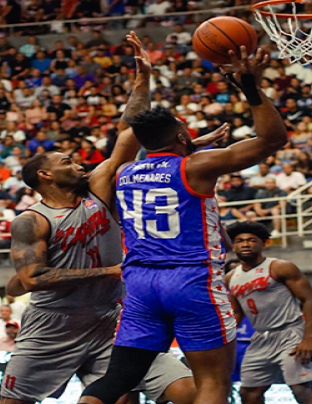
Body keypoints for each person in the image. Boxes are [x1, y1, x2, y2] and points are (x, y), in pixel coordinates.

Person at [4, 32, 199, 404]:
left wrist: (143, 78)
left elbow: (129, 132)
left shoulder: (98, 190)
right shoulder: (31, 221)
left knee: (185, 391)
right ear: (45, 175)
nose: (78, 164)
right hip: (53, 323)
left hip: (111, 317)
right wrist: (109, 271)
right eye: (67, 162)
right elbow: (32, 278)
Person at [85, 46, 287, 404]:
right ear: (181, 137)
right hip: (192, 280)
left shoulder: (122, 172)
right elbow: (271, 140)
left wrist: (143, 80)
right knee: (213, 382)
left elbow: (129, 129)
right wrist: (251, 88)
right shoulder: (196, 166)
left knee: (118, 379)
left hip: (141, 283)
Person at [224, 222, 312, 404]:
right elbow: (236, 312)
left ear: (263, 243)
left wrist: (308, 338)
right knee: (248, 394)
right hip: (260, 337)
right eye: (240, 241)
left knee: (302, 391)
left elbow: (309, 300)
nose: (245, 244)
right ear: (234, 246)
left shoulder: (280, 267)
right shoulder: (230, 277)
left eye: (251, 240)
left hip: (290, 333)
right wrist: (222, 337)